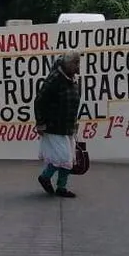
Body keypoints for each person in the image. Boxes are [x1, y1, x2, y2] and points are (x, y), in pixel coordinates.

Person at [35, 52, 82, 199]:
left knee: (69, 158)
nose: (77, 66)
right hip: (54, 125)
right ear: (67, 64)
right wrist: (40, 123)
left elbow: (72, 103)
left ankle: (62, 187)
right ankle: (45, 177)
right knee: (63, 157)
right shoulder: (55, 79)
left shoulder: (72, 79)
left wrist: (74, 123)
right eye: (75, 63)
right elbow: (39, 101)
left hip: (67, 125)